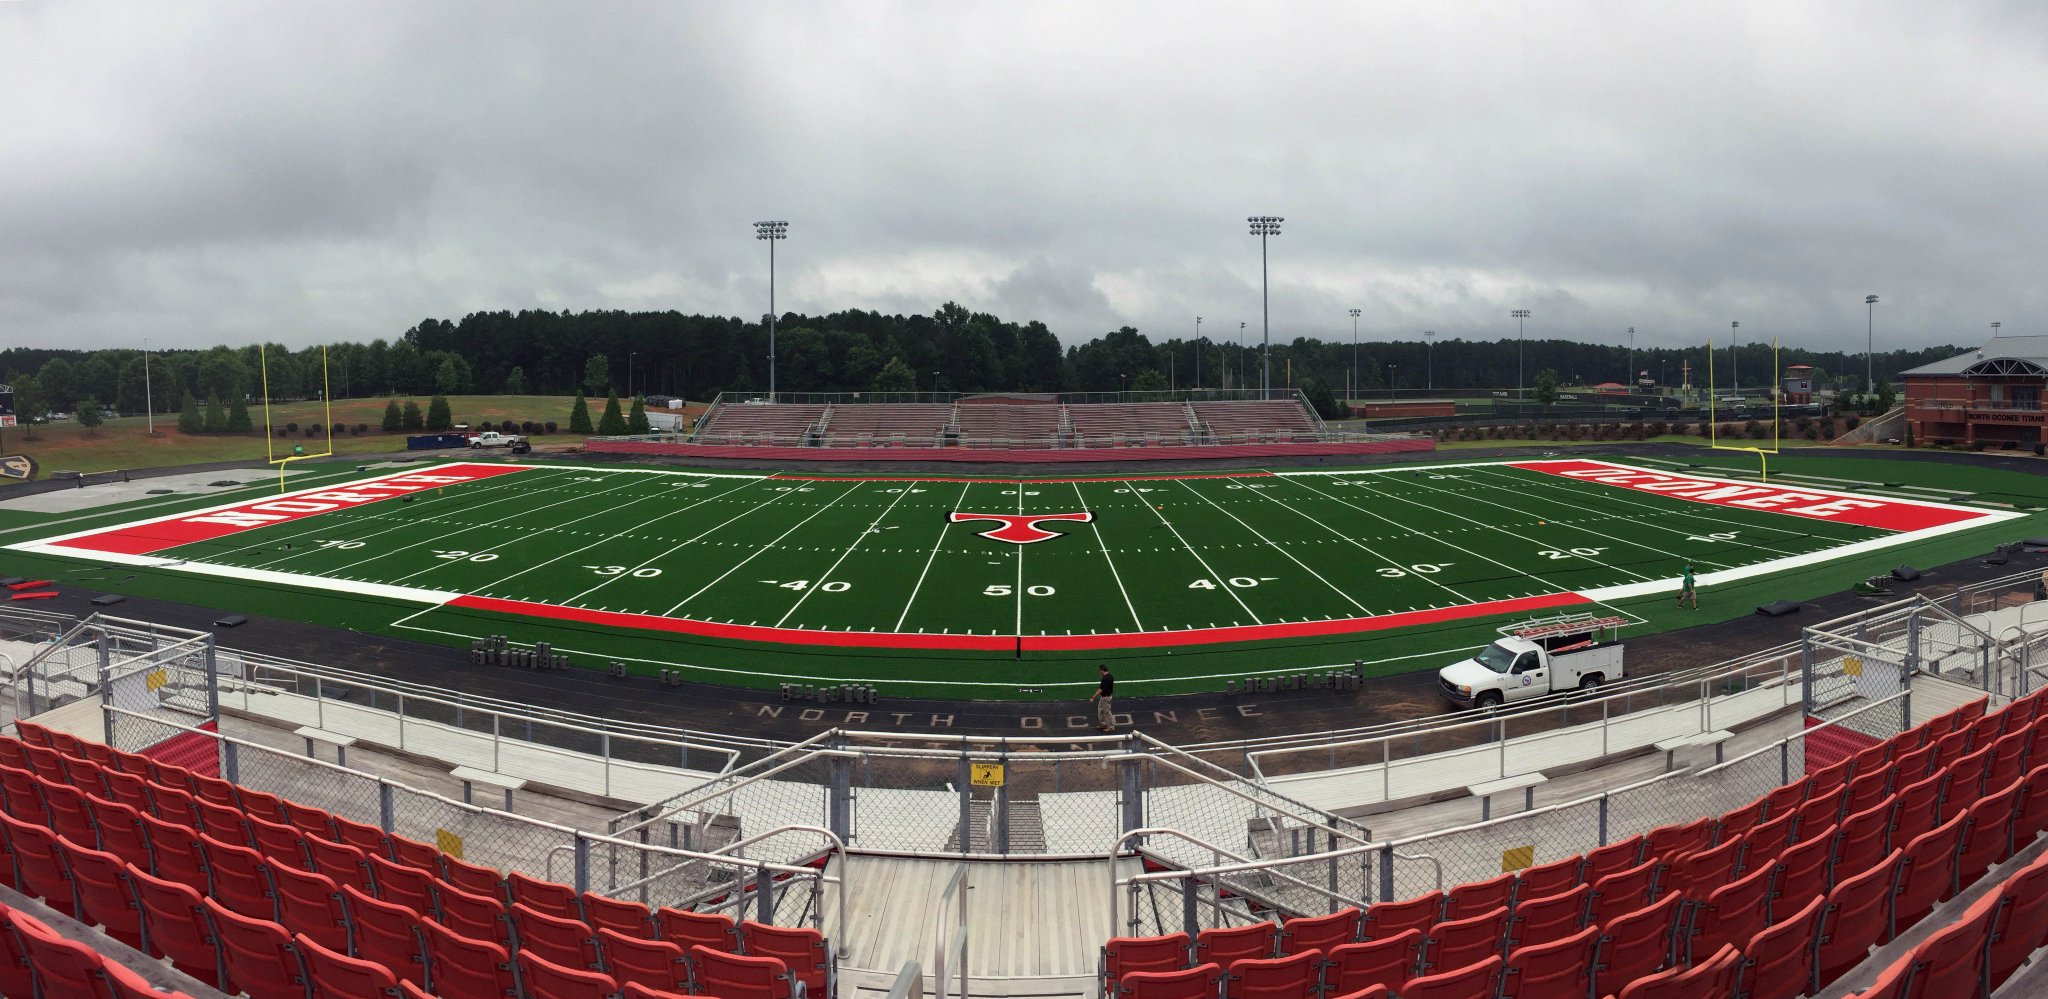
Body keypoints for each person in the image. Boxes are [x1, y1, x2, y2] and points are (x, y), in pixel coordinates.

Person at [1090, 664, 1116, 732]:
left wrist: (1093, 697)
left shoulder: (1105, 679)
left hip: (1105, 698)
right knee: (1100, 710)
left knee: (1107, 712)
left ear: (1102, 670)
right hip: (1104, 697)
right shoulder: (1110, 676)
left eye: (1099, 671)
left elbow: (1100, 689)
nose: (1099, 672)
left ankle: (1110, 727)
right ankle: (1103, 724)